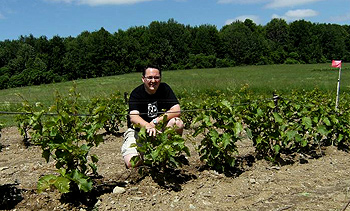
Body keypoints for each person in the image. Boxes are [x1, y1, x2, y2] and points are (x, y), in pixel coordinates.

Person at [121, 67, 184, 168]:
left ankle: (167, 155)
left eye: (156, 77)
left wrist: (155, 122)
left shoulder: (165, 89)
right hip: (138, 132)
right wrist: (147, 126)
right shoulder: (136, 93)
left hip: (159, 130)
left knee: (177, 122)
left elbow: (176, 110)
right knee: (131, 163)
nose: (153, 81)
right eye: (150, 77)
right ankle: (149, 157)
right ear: (143, 79)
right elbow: (133, 117)